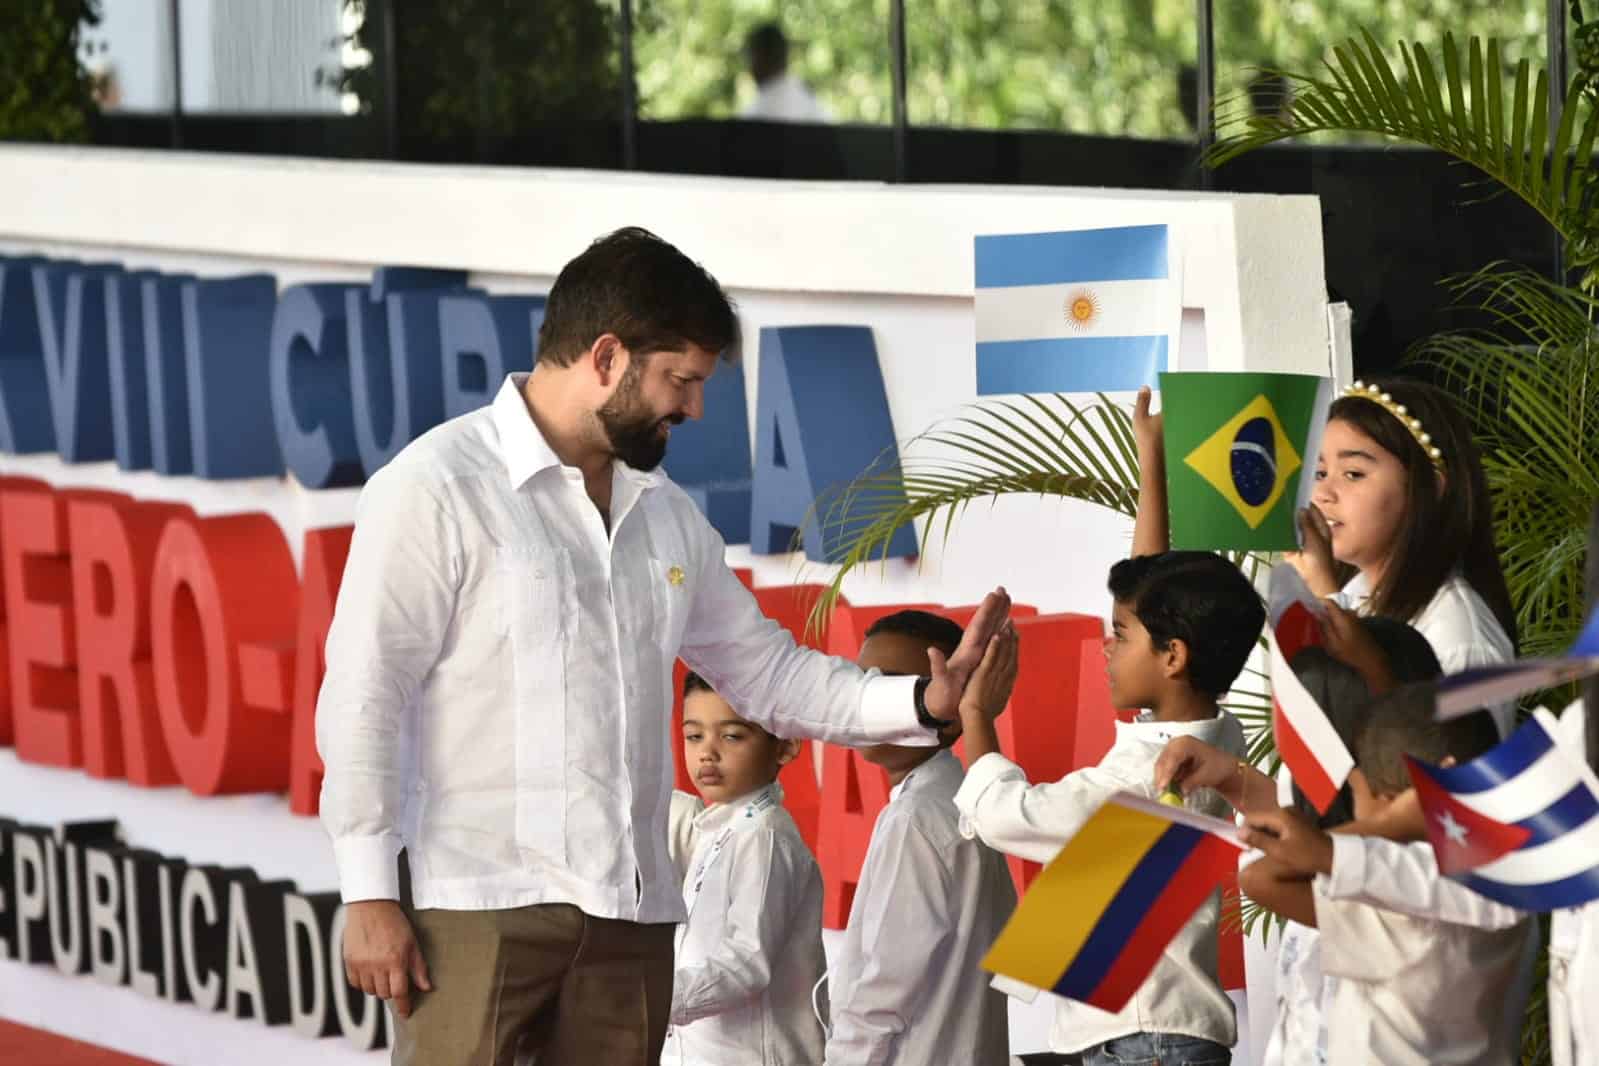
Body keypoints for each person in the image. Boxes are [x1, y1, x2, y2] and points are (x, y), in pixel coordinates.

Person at [315, 226, 1013, 1066]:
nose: (692, 408)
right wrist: (366, 894)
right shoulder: (435, 487)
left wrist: (921, 703)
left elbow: (766, 672)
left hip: (634, 919)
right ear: (605, 357)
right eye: (678, 380)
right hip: (478, 901)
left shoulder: (667, 515)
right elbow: (364, 692)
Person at [955, 551, 1265, 1066]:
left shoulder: (1144, 776)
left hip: (1146, 1042)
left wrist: (976, 712)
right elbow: (1151, 568)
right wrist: (1152, 469)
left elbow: (1005, 814)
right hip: (1152, 1034)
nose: (1106, 647)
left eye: (1120, 635)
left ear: (1173, 657)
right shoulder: (1215, 733)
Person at [1239, 686, 1530, 1065]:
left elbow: (1261, 877)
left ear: (1396, 800)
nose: (1356, 811)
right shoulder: (1509, 877)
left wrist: (1385, 826)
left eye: (1359, 790)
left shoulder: (1401, 903)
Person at [824, 611, 1018, 1066]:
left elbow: (881, 992)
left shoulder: (917, 817)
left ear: (952, 716)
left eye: (895, 684)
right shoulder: (963, 802)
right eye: (865, 682)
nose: (875, 699)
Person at [1288, 378, 1518, 735]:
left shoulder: (1459, 636)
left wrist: (1323, 596)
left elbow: (1421, 773)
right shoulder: (1360, 598)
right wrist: (1233, 775)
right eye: (1319, 473)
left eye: (1353, 474)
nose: (1322, 493)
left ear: (1430, 486)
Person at [663, 672, 824, 1065]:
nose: (707, 753)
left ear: (785, 746)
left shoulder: (764, 837)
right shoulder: (718, 829)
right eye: (694, 736)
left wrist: (653, 998)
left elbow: (747, 963)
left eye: (731, 736)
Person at [739, 21, 830, 124]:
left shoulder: (758, 111)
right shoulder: (810, 102)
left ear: (759, 57)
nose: (749, 67)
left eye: (750, 57)